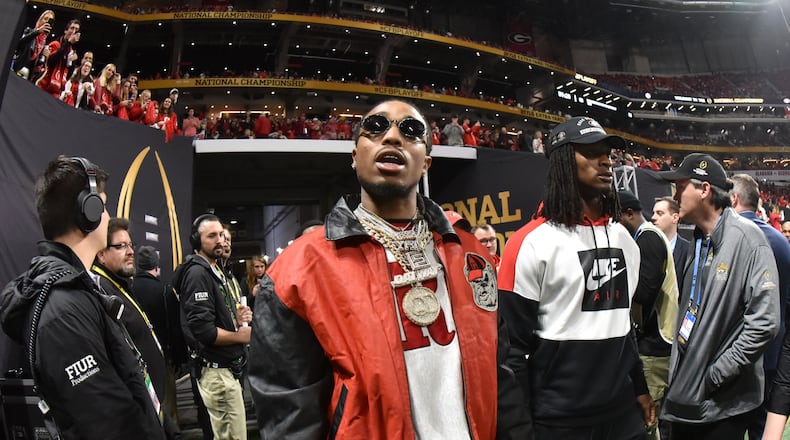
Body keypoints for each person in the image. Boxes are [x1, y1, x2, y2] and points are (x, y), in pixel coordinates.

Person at [247, 99, 532, 439]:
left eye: (411, 131)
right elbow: (288, 412)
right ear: (355, 157)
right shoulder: (298, 270)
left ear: (425, 163)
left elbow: (500, 378)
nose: (393, 137)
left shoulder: (472, 256)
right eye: (376, 128)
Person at [498, 116, 653, 440]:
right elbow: (511, 351)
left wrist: (639, 386)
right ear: (563, 162)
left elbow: (623, 325)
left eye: (607, 154)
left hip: (623, 415)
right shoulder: (529, 242)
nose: (605, 162)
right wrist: (519, 428)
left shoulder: (624, 239)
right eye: (590, 152)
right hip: (559, 420)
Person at [0, 157, 165, 439]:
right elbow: (108, 423)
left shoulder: (80, 290)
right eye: (103, 204)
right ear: (87, 211)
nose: (108, 215)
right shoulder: (63, 310)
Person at [658, 153, 780, 439]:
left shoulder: (748, 239)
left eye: (681, 186)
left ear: (704, 190)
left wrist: (716, 374)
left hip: (721, 405)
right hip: (688, 397)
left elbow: (765, 322)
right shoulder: (698, 240)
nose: (675, 195)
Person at [173, 214, 252, 440]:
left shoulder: (212, 270)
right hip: (217, 374)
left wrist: (234, 321)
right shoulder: (198, 273)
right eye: (211, 236)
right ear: (197, 241)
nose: (220, 240)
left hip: (223, 371)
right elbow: (204, 332)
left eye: (221, 235)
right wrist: (241, 336)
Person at [91, 218, 171, 433]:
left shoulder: (121, 285)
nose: (130, 251)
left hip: (149, 405)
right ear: (101, 254)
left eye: (130, 245)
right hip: (136, 415)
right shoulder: (102, 290)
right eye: (120, 246)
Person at [729, 174, 790, 440]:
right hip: (774, 356)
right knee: (761, 428)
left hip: (734, 359)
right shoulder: (780, 241)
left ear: (733, 199)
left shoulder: (732, 241)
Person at [619, 190, 679, 440]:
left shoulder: (648, 238)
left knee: (648, 420)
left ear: (629, 214)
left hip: (656, 344)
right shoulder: (647, 237)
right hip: (656, 341)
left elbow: (644, 292)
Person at [133, 245, 185, 427]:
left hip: (134, 361)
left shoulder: (127, 290)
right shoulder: (165, 291)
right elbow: (175, 329)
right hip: (164, 359)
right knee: (168, 409)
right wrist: (179, 359)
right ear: (156, 265)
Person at [36, 19, 81, 99]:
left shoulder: (72, 53)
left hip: (56, 91)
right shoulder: (55, 44)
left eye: (76, 30)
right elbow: (51, 63)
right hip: (43, 86)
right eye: (72, 28)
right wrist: (69, 43)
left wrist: (73, 62)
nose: (74, 31)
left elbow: (68, 76)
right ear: (65, 30)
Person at [652, 196, 690, 289]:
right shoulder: (646, 248)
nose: (653, 217)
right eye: (654, 213)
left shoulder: (689, 250)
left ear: (675, 218)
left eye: (660, 213)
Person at [13, 9, 54, 81]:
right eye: (45, 18)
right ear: (40, 20)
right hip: (16, 69)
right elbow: (19, 43)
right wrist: (37, 32)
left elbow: (38, 67)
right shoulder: (29, 31)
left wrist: (46, 58)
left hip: (27, 77)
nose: (47, 21)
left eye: (50, 20)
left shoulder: (44, 43)